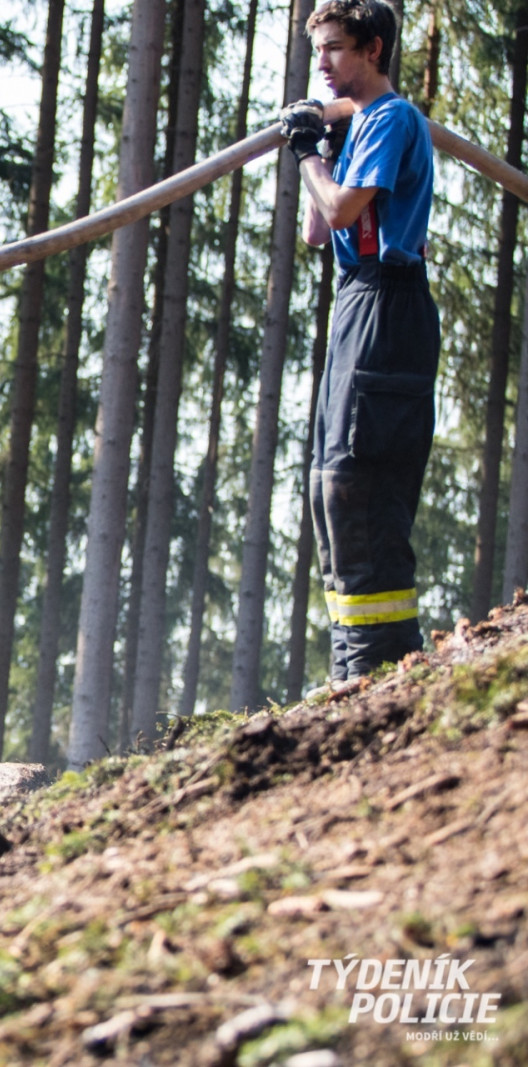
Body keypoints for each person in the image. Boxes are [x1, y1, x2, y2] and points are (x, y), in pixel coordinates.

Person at [280, 0, 438, 686]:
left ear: (374, 49)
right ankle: (354, 664)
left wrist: (307, 153)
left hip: (389, 299)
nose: (322, 63)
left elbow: (341, 209)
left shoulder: (393, 118)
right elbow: (319, 231)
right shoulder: (359, 126)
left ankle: (386, 662)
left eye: (335, 48)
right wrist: (324, 146)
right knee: (330, 484)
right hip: (356, 300)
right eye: (317, 50)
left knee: (360, 480)